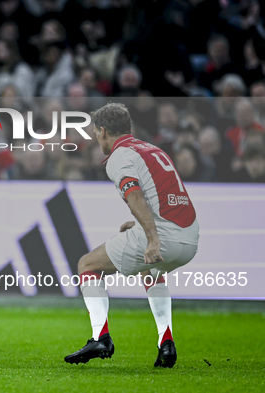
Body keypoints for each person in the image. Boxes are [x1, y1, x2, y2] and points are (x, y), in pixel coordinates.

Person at [64, 103, 199, 368]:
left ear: (103, 131)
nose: (95, 137)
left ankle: (99, 336)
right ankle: (166, 342)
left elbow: (134, 194)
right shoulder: (152, 149)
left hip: (163, 237)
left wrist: (152, 237)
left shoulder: (119, 156)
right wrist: (140, 226)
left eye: (95, 132)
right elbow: (166, 199)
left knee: (87, 265)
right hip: (190, 237)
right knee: (151, 272)